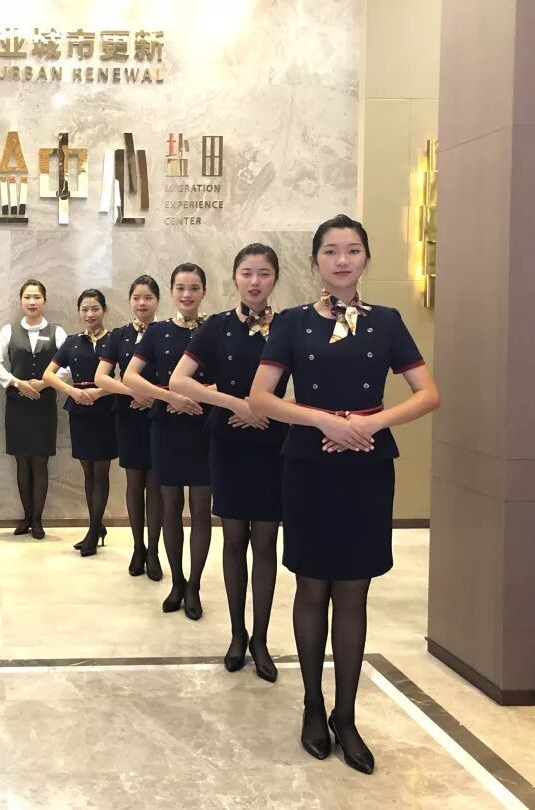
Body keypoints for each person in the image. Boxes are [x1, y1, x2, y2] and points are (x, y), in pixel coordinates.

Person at [250, 214, 439, 774]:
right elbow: (262, 398)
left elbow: (428, 394)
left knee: (354, 593)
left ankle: (346, 715)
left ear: (366, 259)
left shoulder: (387, 322)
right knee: (312, 587)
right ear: (315, 261)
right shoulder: (291, 323)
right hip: (309, 466)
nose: (341, 260)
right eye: (330, 251)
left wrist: (369, 424)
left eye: (352, 250)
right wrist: (325, 421)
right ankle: (313, 707)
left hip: (367, 467)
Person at [170, 247, 289, 681]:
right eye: (246, 273)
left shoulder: (290, 326)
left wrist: (267, 409)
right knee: (234, 540)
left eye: (264, 274)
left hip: (273, 443)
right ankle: (237, 635)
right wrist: (236, 404)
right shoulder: (216, 326)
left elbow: (309, 386)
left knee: (266, 543)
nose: (255, 282)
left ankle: (261, 640)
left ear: (275, 278)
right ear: (235, 278)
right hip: (229, 444)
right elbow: (178, 380)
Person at [124, 265, 212, 618]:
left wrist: (197, 395)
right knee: (170, 506)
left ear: (204, 291)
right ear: (172, 293)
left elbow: (232, 378)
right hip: (166, 428)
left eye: (194, 288)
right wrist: (169, 397)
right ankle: (177, 581)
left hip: (204, 427)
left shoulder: (214, 328)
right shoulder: (157, 331)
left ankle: (194, 586)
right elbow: (130, 376)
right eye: (180, 288)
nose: (187, 295)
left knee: (201, 509)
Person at [94, 276, 163, 578]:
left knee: (156, 486)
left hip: (160, 416)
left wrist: (154, 397)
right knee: (134, 484)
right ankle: (138, 547)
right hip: (128, 417)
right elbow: (101, 377)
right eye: (136, 298)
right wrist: (133, 391)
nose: (142, 303)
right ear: (130, 301)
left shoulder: (166, 332)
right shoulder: (119, 335)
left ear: (157, 301)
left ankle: (155, 551)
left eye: (148, 297)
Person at [0, 279, 67, 540]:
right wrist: (17, 382)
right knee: (22, 462)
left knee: (41, 462)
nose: (32, 302)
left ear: (44, 301)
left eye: (37, 297)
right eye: (27, 297)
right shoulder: (8, 331)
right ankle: (26, 516)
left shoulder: (57, 331)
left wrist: (45, 382)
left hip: (44, 405)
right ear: (20, 301)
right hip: (18, 405)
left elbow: (68, 365)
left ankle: (38, 520)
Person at [43, 289, 117, 556]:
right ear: (78, 312)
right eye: (84, 309)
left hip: (106, 409)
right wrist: (72, 391)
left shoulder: (114, 339)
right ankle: (95, 526)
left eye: (95, 308)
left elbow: (126, 377)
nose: (89, 314)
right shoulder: (72, 342)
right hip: (80, 411)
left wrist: (101, 391)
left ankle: (94, 530)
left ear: (104, 310)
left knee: (101, 472)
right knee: (88, 472)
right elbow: (48, 375)